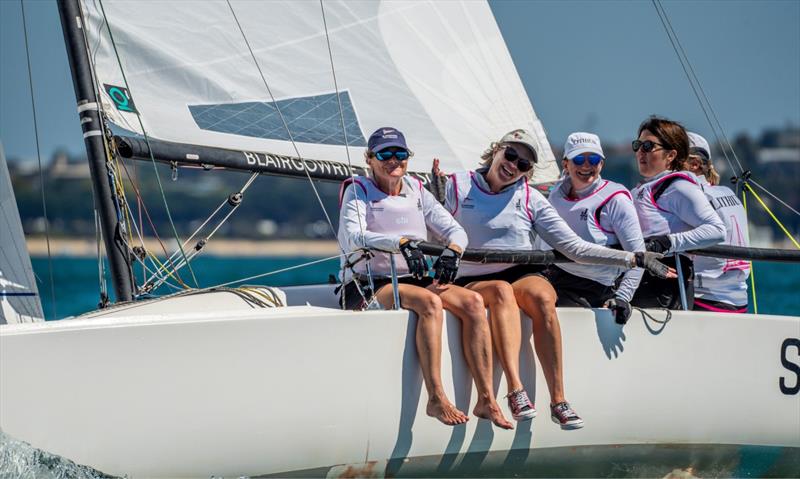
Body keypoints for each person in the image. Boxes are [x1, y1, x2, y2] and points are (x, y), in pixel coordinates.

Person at [441, 129, 673, 430]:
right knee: (500, 291)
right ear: (497, 151)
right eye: (511, 155)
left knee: (542, 296)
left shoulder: (530, 198)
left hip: (518, 274)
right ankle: (515, 389)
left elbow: (574, 248)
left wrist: (633, 258)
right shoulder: (456, 185)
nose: (514, 165)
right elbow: (435, 228)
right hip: (472, 279)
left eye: (524, 165)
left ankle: (559, 401)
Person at [337, 127, 513, 429]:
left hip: (410, 280)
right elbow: (355, 236)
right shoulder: (359, 190)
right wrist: (401, 243)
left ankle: (486, 398)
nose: (394, 161)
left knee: (472, 301)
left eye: (400, 154)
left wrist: (453, 251)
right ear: (369, 159)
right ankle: (436, 398)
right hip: (367, 285)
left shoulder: (417, 190)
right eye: (385, 155)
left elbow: (455, 231)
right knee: (430, 302)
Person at [535, 132, 645, 325]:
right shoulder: (555, 195)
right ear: (566, 164)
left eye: (593, 159)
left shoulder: (616, 199)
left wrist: (623, 297)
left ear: (601, 164)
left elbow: (639, 255)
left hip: (593, 287)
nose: (586, 165)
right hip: (552, 274)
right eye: (579, 159)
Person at [629, 117, 726, 310]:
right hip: (638, 276)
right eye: (638, 145)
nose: (641, 151)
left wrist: (668, 242)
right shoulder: (645, 188)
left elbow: (717, 230)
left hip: (664, 284)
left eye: (648, 146)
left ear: (671, 155)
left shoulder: (678, 187)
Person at [681, 132, 750, 312]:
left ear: (694, 164)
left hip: (705, 299)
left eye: (672, 157)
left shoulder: (693, 197)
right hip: (739, 299)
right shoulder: (726, 192)